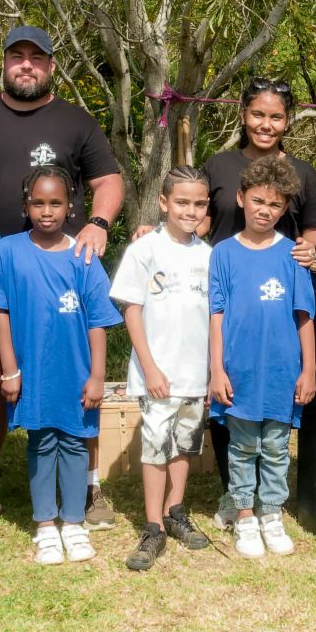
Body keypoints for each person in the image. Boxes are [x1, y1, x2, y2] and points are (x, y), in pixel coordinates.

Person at [0, 25, 126, 530]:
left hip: (58, 273)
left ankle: (89, 487)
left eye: (37, 57)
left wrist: (97, 224)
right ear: (5, 64)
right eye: (17, 57)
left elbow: (109, 180)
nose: (26, 65)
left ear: (51, 66)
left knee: (76, 377)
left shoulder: (76, 121)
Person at [134, 77, 316, 527]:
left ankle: (260, 501)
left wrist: (310, 248)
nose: (266, 123)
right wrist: (155, 231)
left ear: (287, 120)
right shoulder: (220, 166)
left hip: (272, 294)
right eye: (258, 114)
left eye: (276, 116)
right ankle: (233, 492)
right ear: (244, 114)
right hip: (216, 287)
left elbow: (315, 227)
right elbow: (195, 216)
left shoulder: (302, 172)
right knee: (222, 393)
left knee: (255, 398)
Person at [0, 165, 123, 565]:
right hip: (32, 375)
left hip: (76, 375)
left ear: (71, 205)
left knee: (75, 444)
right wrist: (10, 370)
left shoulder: (84, 256)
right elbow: (0, 314)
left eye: (56, 203)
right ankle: (46, 525)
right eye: (38, 203)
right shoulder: (6, 252)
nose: (47, 211)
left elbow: (97, 322)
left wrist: (97, 376)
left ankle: (74, 522)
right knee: (41, 444)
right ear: (25, 205)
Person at [208, 156, 316, 559]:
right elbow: (215, 315)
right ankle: (245, 515)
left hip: (282, 374)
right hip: (239, 373)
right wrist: (216, 369)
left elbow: (304, 316)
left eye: (274, 205)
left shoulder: (294, 255)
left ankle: (271, 513)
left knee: (275, 446)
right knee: (241, 447)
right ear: (241, 199)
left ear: (285, 208)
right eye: (257, 201)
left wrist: (309, 370)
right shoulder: (222, 254)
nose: (264, 210)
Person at [112, 166, 216, 571]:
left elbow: (214, 316)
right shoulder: (144, 250)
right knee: (156, 445)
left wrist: (212, 370)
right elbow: (132, 310)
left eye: (199, 203)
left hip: (195, 373)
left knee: (185, 443)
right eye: (182, 202)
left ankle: (176, 512)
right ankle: (153, 526)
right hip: (157, 374)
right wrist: (150, 368)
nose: (190, 210)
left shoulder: (208, 255)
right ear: (163, 202)